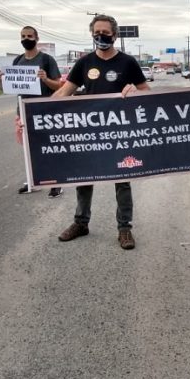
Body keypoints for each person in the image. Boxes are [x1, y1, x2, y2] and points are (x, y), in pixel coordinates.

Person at [52, 14, 150, 249]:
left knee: (122, 181)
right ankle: (81, 223)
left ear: (114, 35)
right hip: (89, 132)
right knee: (84, 178)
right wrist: (33, 113)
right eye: (97, 32)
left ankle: (124, 229)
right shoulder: (84, 63)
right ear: (92, 34)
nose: (101, 36)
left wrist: (135, 92)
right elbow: (64, 92)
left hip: (120, 133)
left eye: (106, 32)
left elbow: (146, 91)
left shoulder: (128, 63)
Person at [13, 25, 63, 198]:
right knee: (30, 147)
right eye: (23, 36)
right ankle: (33, 179)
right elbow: (14, 86)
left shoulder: (46, 60)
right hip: (24, 109)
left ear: (36, 38)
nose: (26, 39)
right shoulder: (18, 60)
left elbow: (59, 85)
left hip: (44, 110)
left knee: (49, 146)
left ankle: (56, 181)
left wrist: (45, 79)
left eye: (29, 36)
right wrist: (5, 80)